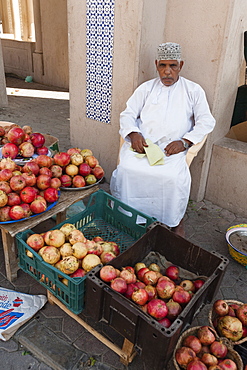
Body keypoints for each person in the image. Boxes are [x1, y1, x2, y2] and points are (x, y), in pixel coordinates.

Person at [110, 42, 215, 236]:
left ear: (180, 65)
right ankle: (129, 218)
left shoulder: (193, 90)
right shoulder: (146, 88)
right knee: (127, 170)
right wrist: (134, 134)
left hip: (172, 150)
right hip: (143, 147)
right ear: (156, 64)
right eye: (162, 66)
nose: (167, 72)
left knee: (172, 178)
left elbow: (206, 121)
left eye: (172, 66)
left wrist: (185, 142)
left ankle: (172, 221)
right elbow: (127, 114)